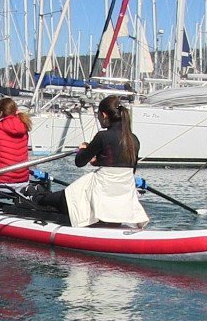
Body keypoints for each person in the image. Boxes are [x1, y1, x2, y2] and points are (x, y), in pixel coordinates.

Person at [34, 95, 149, 228]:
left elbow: (80, 162)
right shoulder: (133, 140)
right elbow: (126, 168)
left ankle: (34, 196)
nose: (99, 120)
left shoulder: (102, 136)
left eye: (98, 116)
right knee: (62, 197)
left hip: (101, 190)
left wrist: (82, 149)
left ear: (104, 115)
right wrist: (99, 160)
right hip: (122, 194)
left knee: (55, 199)